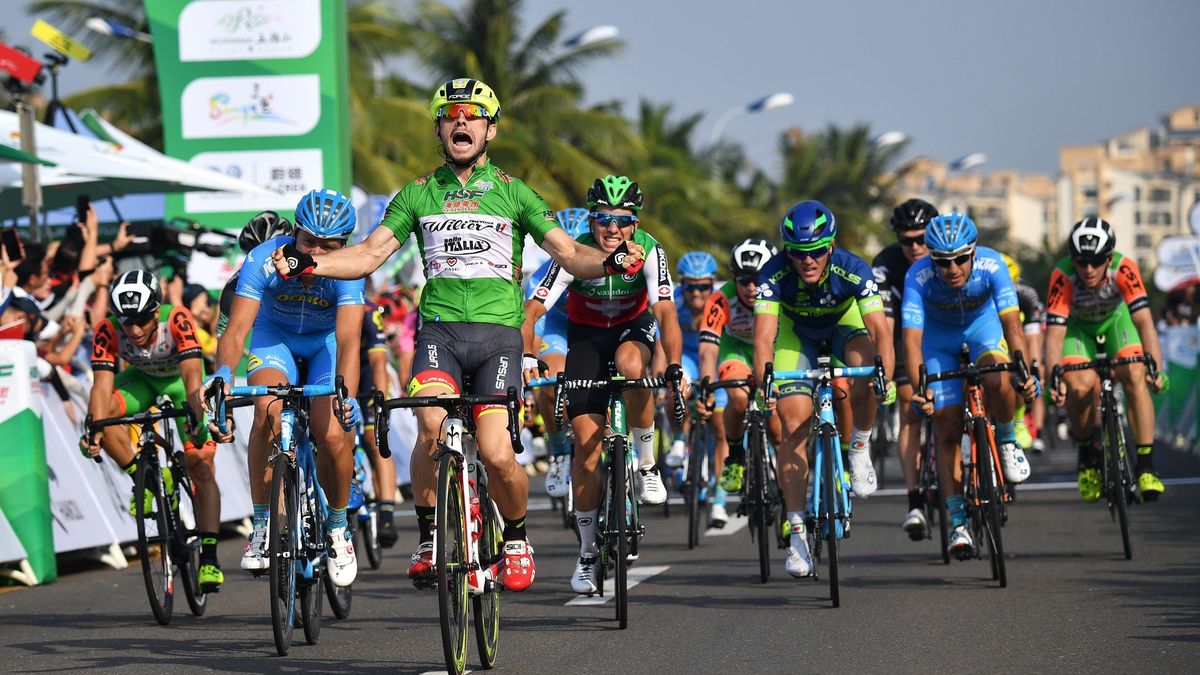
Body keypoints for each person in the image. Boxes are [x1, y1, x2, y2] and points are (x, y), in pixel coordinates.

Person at [266, 79, 647, 593]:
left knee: (495, 452)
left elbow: (567, 253)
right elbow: (370, 255)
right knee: (429, 427)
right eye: (450, 116)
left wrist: (609, 260)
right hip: (439, 335)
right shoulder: (418, 193)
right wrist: (311, 260)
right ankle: (429, 538)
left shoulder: (515, 192)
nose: (461, 123)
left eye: (472, 116)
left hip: (498, 340)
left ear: (490, 128)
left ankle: (514, 536)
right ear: (440, 128)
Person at [520, 175, 685, 594]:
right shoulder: (573, 251)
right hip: (587, 337)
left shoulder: (649, 249)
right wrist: (525, 354)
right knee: (587, 448)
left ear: (635, 223)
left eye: (623, 220)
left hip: (633, 328)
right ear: (591, 221)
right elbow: (533, 309)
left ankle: (647, 464)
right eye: (603, 219)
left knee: (633, 366)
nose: (613, 229)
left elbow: (665, 312)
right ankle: (588, 552)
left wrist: (675, 366)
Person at [208, 189, 365, 588]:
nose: (316, 251)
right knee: (267, 412)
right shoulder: (263, 259)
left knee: (332, 435)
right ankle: (262, 525)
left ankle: (338, 526)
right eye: (308, 241)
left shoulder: (348, 270)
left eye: (328, 246)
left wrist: (346, 394)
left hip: (324, 344)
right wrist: (224, 372)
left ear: (343, 246)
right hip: (274, 337)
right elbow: (238, 327)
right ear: (293, 232)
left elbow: (348, 341)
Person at [753, 200, 894, 578]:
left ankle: (860, 446)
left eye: (816, 251)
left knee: (867, 370)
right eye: (798, 254)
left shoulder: (854, 269)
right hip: (794, 338)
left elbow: (881, 331)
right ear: (787, 251)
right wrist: (764, 378)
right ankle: (797, 534)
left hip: (841, 328)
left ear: (831, 246)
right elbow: (764, 337)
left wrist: (886, 377)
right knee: (794, 422)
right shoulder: (772, 273)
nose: (808, 261)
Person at [80, 270, 224, 591]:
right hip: (141, 381)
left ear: (156, 312)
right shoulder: (108, 329)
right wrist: (94, 431)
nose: (132, 330)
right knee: (101, 416)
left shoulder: (178, 320)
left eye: (141, 320)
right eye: (125, 321)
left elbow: (191, 380)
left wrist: (196, 419)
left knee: (201, 465)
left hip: (179, 384)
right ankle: (141, 477)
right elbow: (101, 388)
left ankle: (211, 557)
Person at [905, 213, 1038, 560]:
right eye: (943, 261)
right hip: (939, 342)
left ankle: (1007, 439)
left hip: (983, 329)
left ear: (973, 253)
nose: (952, 268)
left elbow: (1011, 323)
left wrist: (1022, 369)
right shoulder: (916, 277)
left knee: (998, 375)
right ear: (931, 259)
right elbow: (912, 337)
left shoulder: (993, 266)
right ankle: (958, 522)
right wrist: (921, 387)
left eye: (961, 258)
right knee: (946, 428)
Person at [1043, 217, 1166, 501]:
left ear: (1109, 258)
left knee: (1135, 374)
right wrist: (1054, 379)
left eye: (1096, 261)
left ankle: (1146, 466)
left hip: (1115, 323)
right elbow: (1054, 336)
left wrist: (1155, 369)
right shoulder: (1062, 275)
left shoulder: (1124, 268)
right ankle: (1087, 456)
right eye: (1081, 261)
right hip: (1078, 330)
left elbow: (1145, 322)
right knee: (1078, 384)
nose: (1088, 269)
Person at [698, 238, 781, 527]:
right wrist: (707, 386)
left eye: (758, 278)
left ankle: (785, 495)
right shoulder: (721, 299)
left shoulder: (780, 292)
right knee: (737, 396)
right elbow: (708, 349)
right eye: (744, 279)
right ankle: (735, 455)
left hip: (774, 350)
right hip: (736, 351)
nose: (750, 286)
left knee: (779, 429)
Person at [871, 198, 938, 538]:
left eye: (922, 238)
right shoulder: (884, 264)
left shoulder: (947, 253)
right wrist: (886, 368)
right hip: (901, 332)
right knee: (911, 408)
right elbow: (884, 324)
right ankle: (914, 500)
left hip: (943, 330)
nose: (915, 246)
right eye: (906, 240)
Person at [522, 207, 591, 499]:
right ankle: (560, 450)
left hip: (594, 324)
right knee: (550, 381)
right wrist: (530, 373)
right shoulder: (540, 277)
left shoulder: (602, 267)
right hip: (558, 328)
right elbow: (533, 331)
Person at [662, 251, 719, 469]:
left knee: (720, 411)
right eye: (690, 287)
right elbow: (661, 343)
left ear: (712, 285)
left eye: (703, 287)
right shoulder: (673, 302)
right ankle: (678, 439)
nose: (697, 293)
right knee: (675, 390)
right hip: (685, 355)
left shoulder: (719, 303)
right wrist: (660, 379)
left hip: (713, 355)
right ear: (681, 285)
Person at [1000, 253, 1048, 454]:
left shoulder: (1026, 295)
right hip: (994, 335)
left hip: (1019, 333)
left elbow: (1033, 337)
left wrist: (1034, 367)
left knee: (1026, 371)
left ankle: (1023, 421)